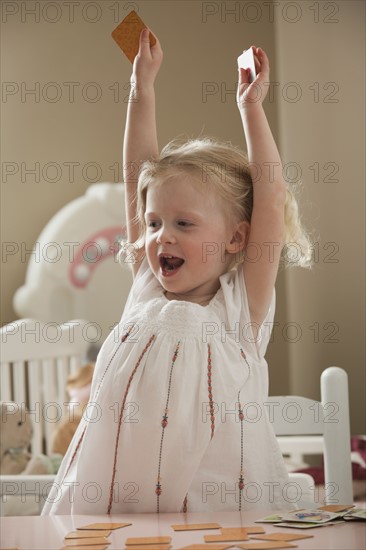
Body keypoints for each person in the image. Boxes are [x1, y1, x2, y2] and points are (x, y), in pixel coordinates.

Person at [43, 28, 312, 515]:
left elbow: (270, 198)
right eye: (152, 224)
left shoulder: (239, 308)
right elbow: (137, 171)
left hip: (220, 510)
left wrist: (251, 108)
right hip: (118, 506)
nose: (160, 236)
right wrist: (140, 88)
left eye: (184, 224)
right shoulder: (148, 290)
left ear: (235, 238)